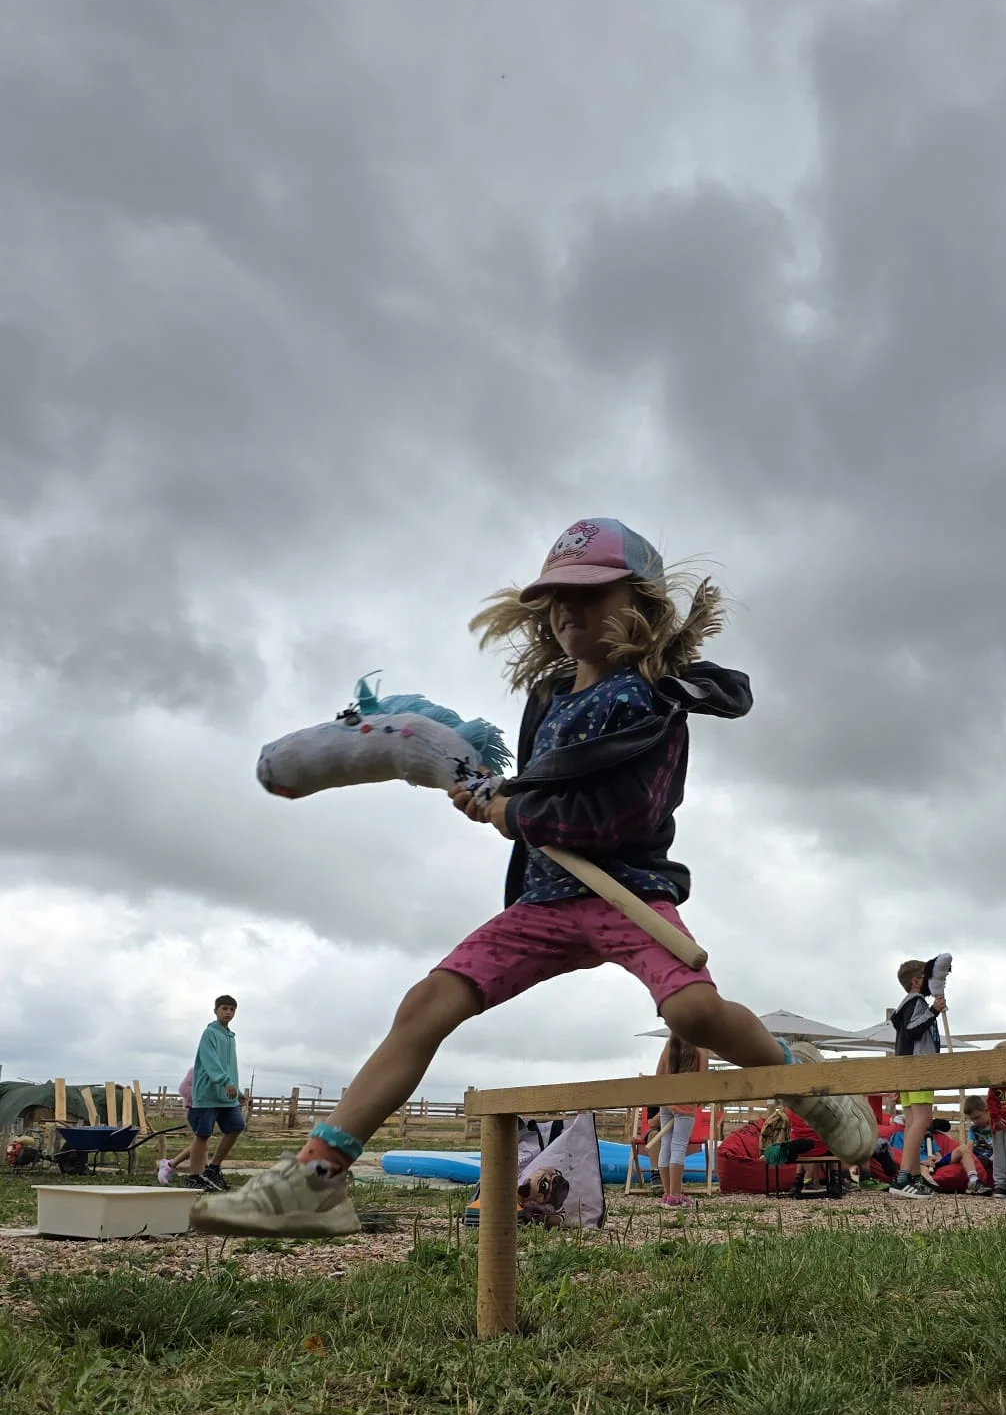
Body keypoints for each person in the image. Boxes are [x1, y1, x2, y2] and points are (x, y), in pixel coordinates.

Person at [189, 517, 878, 1235]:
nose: (567, 611)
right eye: (555, 599)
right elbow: (546, 786)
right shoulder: (549, 696)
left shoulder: (651, 702)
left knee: (693, 1016)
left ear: (640, 605)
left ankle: (802, 1077)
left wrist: (517, 813)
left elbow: (623, 810)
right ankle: (318, 1178)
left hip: (626, 891)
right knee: (427, 1003)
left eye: (591, 595)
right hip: (546, 901)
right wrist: (496, 797)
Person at [886, 953, 952, 1200]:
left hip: (906, 1069)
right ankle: (904, 1177)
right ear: (916, 981)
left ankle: (913, 1176)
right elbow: (913, 1031)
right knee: (922, 1122)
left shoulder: (906, 1004)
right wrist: (934, 1011)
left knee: (913, 1121)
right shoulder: (916, 1003)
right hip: (918, 1068)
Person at [180, 997, 246, 1193]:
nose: (228, 1012)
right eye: (225, 1008)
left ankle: (213, 1168)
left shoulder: (230, 1036)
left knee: (236, 1126)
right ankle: (193, 1176)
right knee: (203, 1134)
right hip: (208, 1093)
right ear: (216, 1010)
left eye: (232, 1009)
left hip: (226, 1096)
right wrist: (225, 1082)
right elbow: (210, 1062)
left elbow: (230, 1067)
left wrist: (237, 1091)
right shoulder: (210, 1033)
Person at [654, 1033, 709, 1206]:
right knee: (678, 1146)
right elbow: (703, 1081)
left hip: (666, 1101)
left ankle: (668, 1193)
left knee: (666, 1145)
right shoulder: (701, 1049)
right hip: (686, 1104)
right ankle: (676, 1196)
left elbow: (659, 1075)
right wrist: (697, 1102)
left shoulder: (669, 1045)